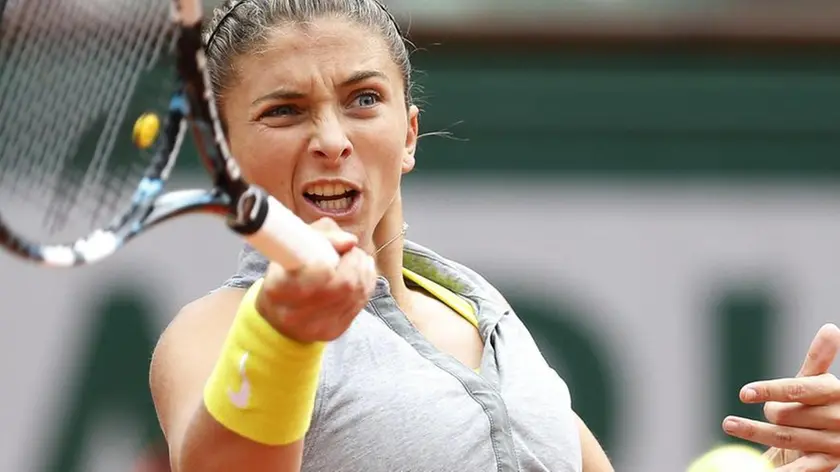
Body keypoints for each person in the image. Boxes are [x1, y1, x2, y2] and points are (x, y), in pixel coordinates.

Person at [149, 0, 840, 470]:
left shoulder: (482, 312)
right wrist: (283, 333)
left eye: (364, 100)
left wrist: (793, 464)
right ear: (226, 153)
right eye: (285, 110)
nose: (332, 140)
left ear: (409, 134)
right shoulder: (214, 330)